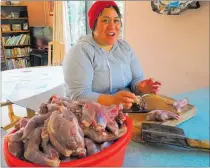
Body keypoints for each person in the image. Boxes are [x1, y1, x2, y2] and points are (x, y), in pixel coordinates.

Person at [63, 1, 161, 109]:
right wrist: (113, 100)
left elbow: (135, 80)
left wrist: (141, 87)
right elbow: (79, 95)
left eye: (116, 20)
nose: (112, 26)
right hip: (91, 116)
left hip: (125, 112)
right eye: (105, 20)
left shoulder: (125, 48)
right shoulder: (81, 51)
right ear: (93, 24)